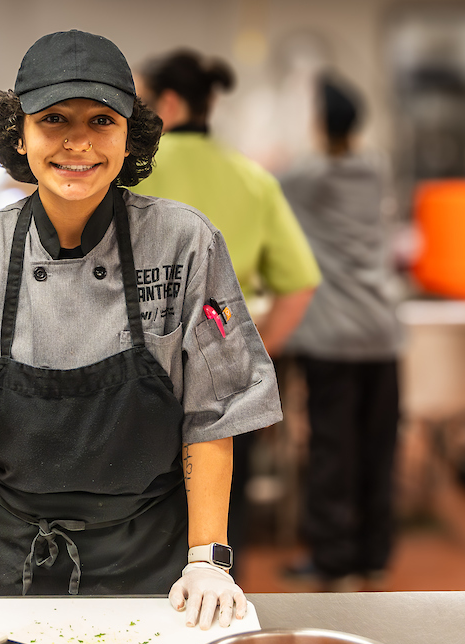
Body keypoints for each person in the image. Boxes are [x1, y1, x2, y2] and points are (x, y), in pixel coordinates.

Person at [0, 30, 284, 629]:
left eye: (101, 120)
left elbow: (215, 410)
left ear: (130, 135)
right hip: (14, 562)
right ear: (20, 134)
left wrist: (208, 559)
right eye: (53, 120)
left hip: (162, 566)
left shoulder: (184, 243)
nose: (78, 142)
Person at [134, 50, 321, 576]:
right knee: (224, 504)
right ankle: (218, 606)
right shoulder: (252, 178)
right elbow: (300, 284)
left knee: (141, 507)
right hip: (225, 362)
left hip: (140, 372)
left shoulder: (130, 172)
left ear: (167, 103)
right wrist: (254, 352)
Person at [278, 73, 405, 591]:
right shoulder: (376, 168)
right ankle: (373, 553)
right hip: (381, 331)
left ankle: (333, 558)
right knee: (379, 445)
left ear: (318, 122)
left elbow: (265, 182)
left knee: (333, 448)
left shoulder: (308, 176)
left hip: (332, 335)